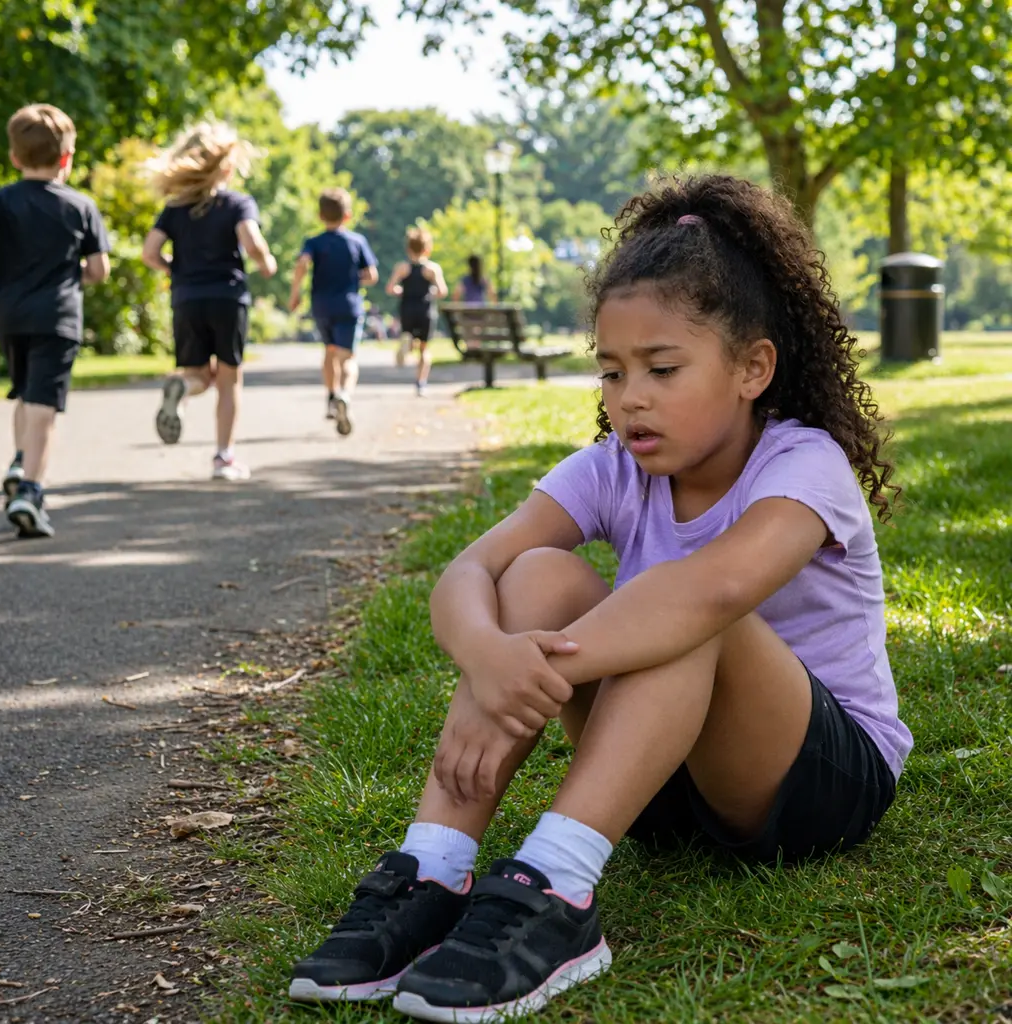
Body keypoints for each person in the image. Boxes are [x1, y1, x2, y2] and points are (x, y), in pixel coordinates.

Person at [288, 175, 914, 1021]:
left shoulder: (804, 467)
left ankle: (561, 890)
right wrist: (488, 659)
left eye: (662, 368)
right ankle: (433, 865)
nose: (630, 399)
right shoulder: (613, 467)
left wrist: (527, 666)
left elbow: (714, 591)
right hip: (664, 776)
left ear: (752, 368)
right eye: (613, 373)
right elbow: (467, 572)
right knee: (535, 574)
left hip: (813, 785)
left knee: (685, 611)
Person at [0, 104, 110, 538]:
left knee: (25, 392)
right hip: (57, 316)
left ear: (15, 157)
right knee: (43, 407)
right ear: (67, 157)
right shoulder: (81, 206)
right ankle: (31, 491)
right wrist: (68, 269)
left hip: (8, 313)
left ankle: (22, 460)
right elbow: (98, 270)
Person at [142, 122, 276, 481]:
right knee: (229, 380)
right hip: (227, 297)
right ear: (227, 168)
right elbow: (251, 242)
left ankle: (182, 389)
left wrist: (174, 269)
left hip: (187, 297)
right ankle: (223, 457)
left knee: (197, 374)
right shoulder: (236, 203)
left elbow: (149, 253)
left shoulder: (174, 208)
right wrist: (266, 262)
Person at [289, 187, 378, 434]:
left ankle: (331, 396)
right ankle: (345, 395)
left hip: (322, 305)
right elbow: (372, 275)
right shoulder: (357, 242)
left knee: (329, 351)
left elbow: (302, 263)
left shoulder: (314, 242)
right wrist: (353, 276)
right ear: (348, 215)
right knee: (348, 357)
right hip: (349, 304)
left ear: (320, 216)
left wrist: (295, 293)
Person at [385, 228, 447, 396]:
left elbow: (390, 288)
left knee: (409, 335)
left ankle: (408, 341)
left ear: (408, 248)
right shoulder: (432, 269)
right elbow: (442, 291)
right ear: (427, 249)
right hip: (425, 309)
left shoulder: (402, 267)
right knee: (425, 350)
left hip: (407, 309)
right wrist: (430, 291)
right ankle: (421, 383)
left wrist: (402, 291)